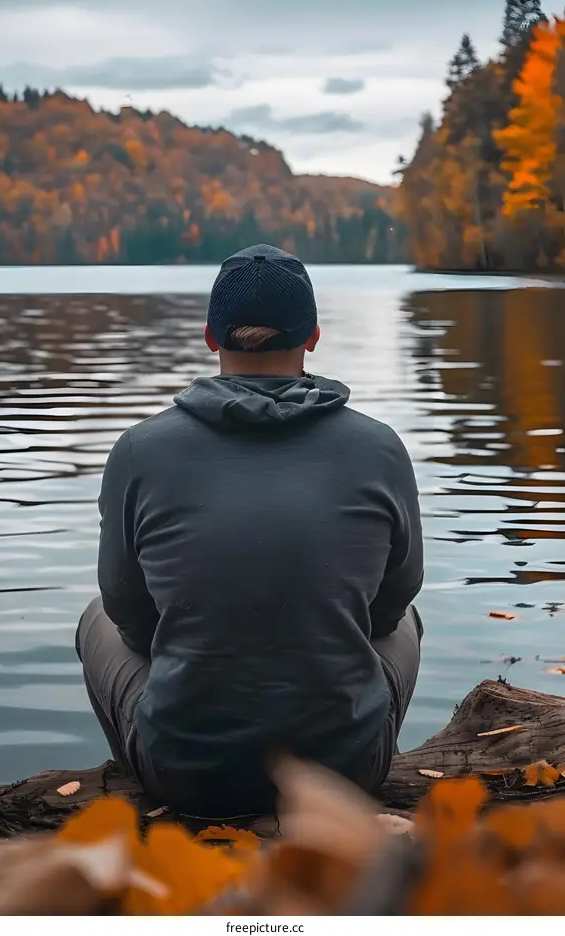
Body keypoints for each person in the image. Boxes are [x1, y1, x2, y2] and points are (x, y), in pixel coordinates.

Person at [76, 244, 423, 817]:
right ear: (312, 336)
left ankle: (156, 774)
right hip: (346, 774)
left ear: (211, 337)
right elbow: (391, 604)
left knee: (96, 617)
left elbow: (128, 614)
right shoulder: (379, 447)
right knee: (404, 619)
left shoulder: (139, 450)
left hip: (187, 777)